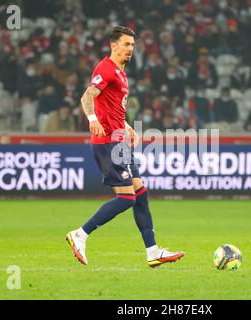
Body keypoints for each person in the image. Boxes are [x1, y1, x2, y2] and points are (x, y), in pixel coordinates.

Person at [65, 26, 184, 268]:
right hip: (107, 143)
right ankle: (80, 234)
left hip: (119, 140)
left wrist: (127, 127)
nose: (130, 49)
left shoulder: (121, 72)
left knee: (140, 193)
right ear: (113, 45)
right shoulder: (105, 68)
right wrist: (92, 120)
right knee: (127, 197)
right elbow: (87, 97)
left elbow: (113, 106)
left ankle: (153, 251)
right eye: (126, 44)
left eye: (132, 44)